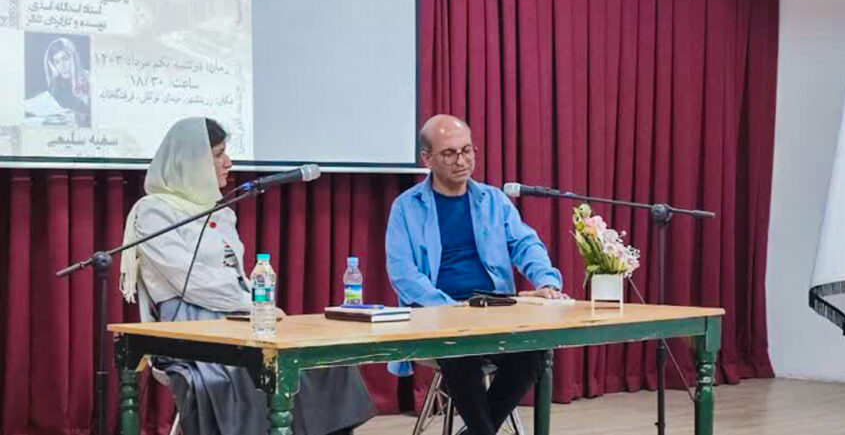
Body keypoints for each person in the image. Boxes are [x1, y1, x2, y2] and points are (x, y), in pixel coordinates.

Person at [119, 117, 375, 435]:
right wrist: (250, 303)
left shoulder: (222, 211)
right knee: (247, 371)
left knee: (321, 360)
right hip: (188, 324)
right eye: (218, 154)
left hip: (240, 316)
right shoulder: (154, 211)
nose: (229, 162)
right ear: (190, 161)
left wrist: (257, 305)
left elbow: (237, 274)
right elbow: (193, 282)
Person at [385, 114, 569, 435]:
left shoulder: (494, 200)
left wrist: (547, 281)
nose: (461, 161)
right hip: (438, 315)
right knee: (460, 352)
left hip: (493, 310)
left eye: (466, 150)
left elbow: (526, 244)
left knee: (534, 350)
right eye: (449, 153)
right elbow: (403, 274)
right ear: (427, 159)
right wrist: (449, 308)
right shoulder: (406, 207)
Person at [24, 36, 90, 126]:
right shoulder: (56, 85)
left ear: (73, 58)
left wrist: (78, 118)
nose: (62, 66)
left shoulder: (89, 79)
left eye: (65, 59)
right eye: (57, 62)